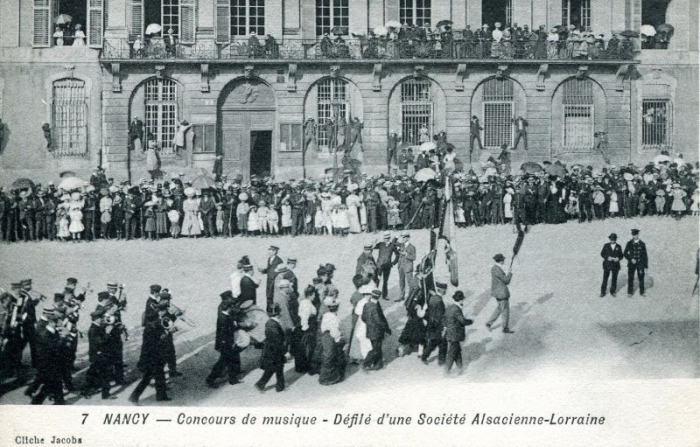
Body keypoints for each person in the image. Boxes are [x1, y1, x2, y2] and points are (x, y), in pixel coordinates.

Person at [129, 301, 172, 404]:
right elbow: (155, 340)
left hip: (156, 354)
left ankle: (161, 395)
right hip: (152, 355)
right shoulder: (153, 325)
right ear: (161, 311)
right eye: (165, 310)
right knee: (148, 377)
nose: (165, 313)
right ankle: (134, 396)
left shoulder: (157, 321)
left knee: (159, 375)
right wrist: (167, 333)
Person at [207, 291, 242, 387]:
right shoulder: (223, 318)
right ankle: (210, 379)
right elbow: (224, 332)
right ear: (228, 307)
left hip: (227, 342)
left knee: (230, 361)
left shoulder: (225, 315)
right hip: (225, 343)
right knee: (222, 362)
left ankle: (233, 379)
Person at [81, 308, 117, 399]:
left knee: (93, 373)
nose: (102, 319)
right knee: (105, 373)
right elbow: (100, 341)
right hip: (99, 355)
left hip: (99, 355)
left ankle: (85, 390)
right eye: (101, 317)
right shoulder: (94, 329)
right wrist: (107, 333)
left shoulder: (97, 327)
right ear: (96, 318)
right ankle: (105, 394)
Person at [255, 303, 286, 392]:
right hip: (275, 351)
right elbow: (277, 340)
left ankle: (262, 384)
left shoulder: (272, 322)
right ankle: (279, 386)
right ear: (278, 313)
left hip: (272, 350)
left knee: (273, 368)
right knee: (277, 368)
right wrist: (283, 351)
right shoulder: (273, 324)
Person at [444, 290, 473, 375]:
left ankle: (460, 368)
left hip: (450, 333)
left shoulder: (449, 307)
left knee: (457, 351)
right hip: (455, 334)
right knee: (452, 353)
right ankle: (446, 371)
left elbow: (444, 319)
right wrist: (470, 321)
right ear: (460, 300)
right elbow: (462, 321)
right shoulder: (456, 309)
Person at [318, 296, 345, 385]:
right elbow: (334, 332)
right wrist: (339, 339)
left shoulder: (326, 315)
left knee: (327, 356)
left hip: (325, 336)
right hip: (330, 338)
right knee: (330, 356)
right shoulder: (334, 318)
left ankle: (324, 376)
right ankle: (328, 378)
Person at [361, 289, 391, 371]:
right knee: (376, 349)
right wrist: (386, 329)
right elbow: (379, 321)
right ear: (379, 297)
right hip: (377, 332)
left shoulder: (366, 305)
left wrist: (369, 324)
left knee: (376, 347)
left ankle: (378, 364)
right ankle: (366, 363)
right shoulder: (375, 307)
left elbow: (363, 318)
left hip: (369, 331)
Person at [486, 254, 514, 333]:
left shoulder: (494, 268)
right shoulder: (497, 269)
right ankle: (505, 328)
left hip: (497, 293)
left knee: (499, 308)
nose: (504, 261)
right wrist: (510, 273)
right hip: (502, 293)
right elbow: (506, 280)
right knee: (505, 311)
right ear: (501, 260)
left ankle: (489, 323)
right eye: (503, 260)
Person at [421, 281, 447, 365]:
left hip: (431, 324)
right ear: (442, 291)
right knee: (443, 344)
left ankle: (424, 357)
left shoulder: (432, 298)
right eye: (445, 290)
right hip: (438, 326)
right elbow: (440, 316)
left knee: (432, 343)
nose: (445, 291)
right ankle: (441, 361)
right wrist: (444, 327)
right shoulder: (440, 301)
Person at [624, 229, 648, 297]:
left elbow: (645, 255)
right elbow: (625, 253)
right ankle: (630, 292)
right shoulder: (629, 243)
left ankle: (642, 292)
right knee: (630, 277)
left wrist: (645, 266)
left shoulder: (642, 244)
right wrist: (631, 259)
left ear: (638, 235)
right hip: (631, 264)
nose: (634, 236)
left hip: (640, 264)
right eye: (633, 235)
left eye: (636, 235)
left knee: (641, 277)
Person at [373, 233, 398, 300]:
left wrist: (393, 263)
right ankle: (374, 294)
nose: (385, 240)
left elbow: (397, 255)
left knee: (385, 281)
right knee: (377, 280)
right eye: (384, 238)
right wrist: (374, 242)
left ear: (389, 238)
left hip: (387, 266)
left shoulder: (392, 245)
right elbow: (373, 247)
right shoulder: (381, 244)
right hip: (379, 265)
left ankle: (385, 295)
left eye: (386, 238)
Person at [259, 245, 283, 312]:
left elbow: (281, 271)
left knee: (274, 297)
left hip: (274, 282)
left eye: (271, 250)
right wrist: (263, 271)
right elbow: (269, 269)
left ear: (275, 252)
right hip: (269, 281)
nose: (269, 252)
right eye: (269, 250)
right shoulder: (269, 259)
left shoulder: (279, 260)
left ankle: (274, 312)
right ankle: (269, 311)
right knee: (268, 296)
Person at [600, 233, 623, 297]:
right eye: (611, 239)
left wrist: (618, 258)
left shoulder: (619, 246)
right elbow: (602, 253)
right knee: (605, 279)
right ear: (609, 239)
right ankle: (602, 292)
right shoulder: (606, 245)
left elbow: (621, 255)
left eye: (614, 239)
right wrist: (607, 257)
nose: (612, 240)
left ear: (616, 239)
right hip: (607, 264)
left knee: (614, 279)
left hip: (615, 265)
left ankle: (612, 291)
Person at [397, 232, 416, 301]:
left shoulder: (412, 247)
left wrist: (406, 254)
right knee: (401, 282)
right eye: (402, 237)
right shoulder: (401, 245)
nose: (403, 238)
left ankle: (410, 297)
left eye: (404, 237)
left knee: (410, 283)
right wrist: (397, 236)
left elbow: (414, 257)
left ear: (408, 238)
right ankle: (401, 296)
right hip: (401, 266)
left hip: (408, 267)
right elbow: (393, 243)